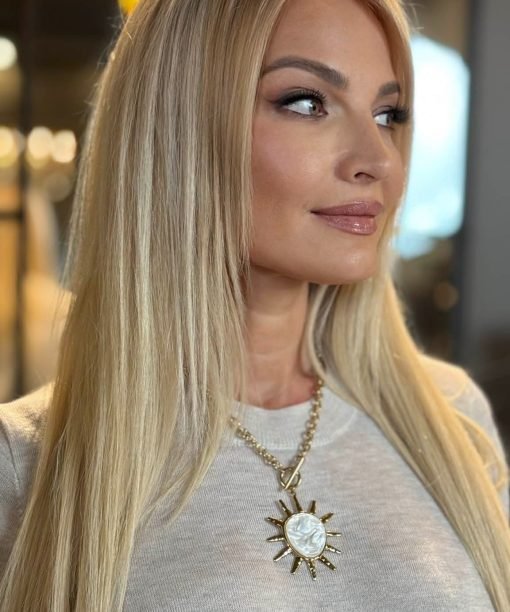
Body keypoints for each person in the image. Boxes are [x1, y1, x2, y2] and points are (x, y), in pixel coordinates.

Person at [0, 0, 509, 610]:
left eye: (387, 114)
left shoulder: (453, 420)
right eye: (307, 103)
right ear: (180, 124)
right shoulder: (24, 466)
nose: (379, 160)